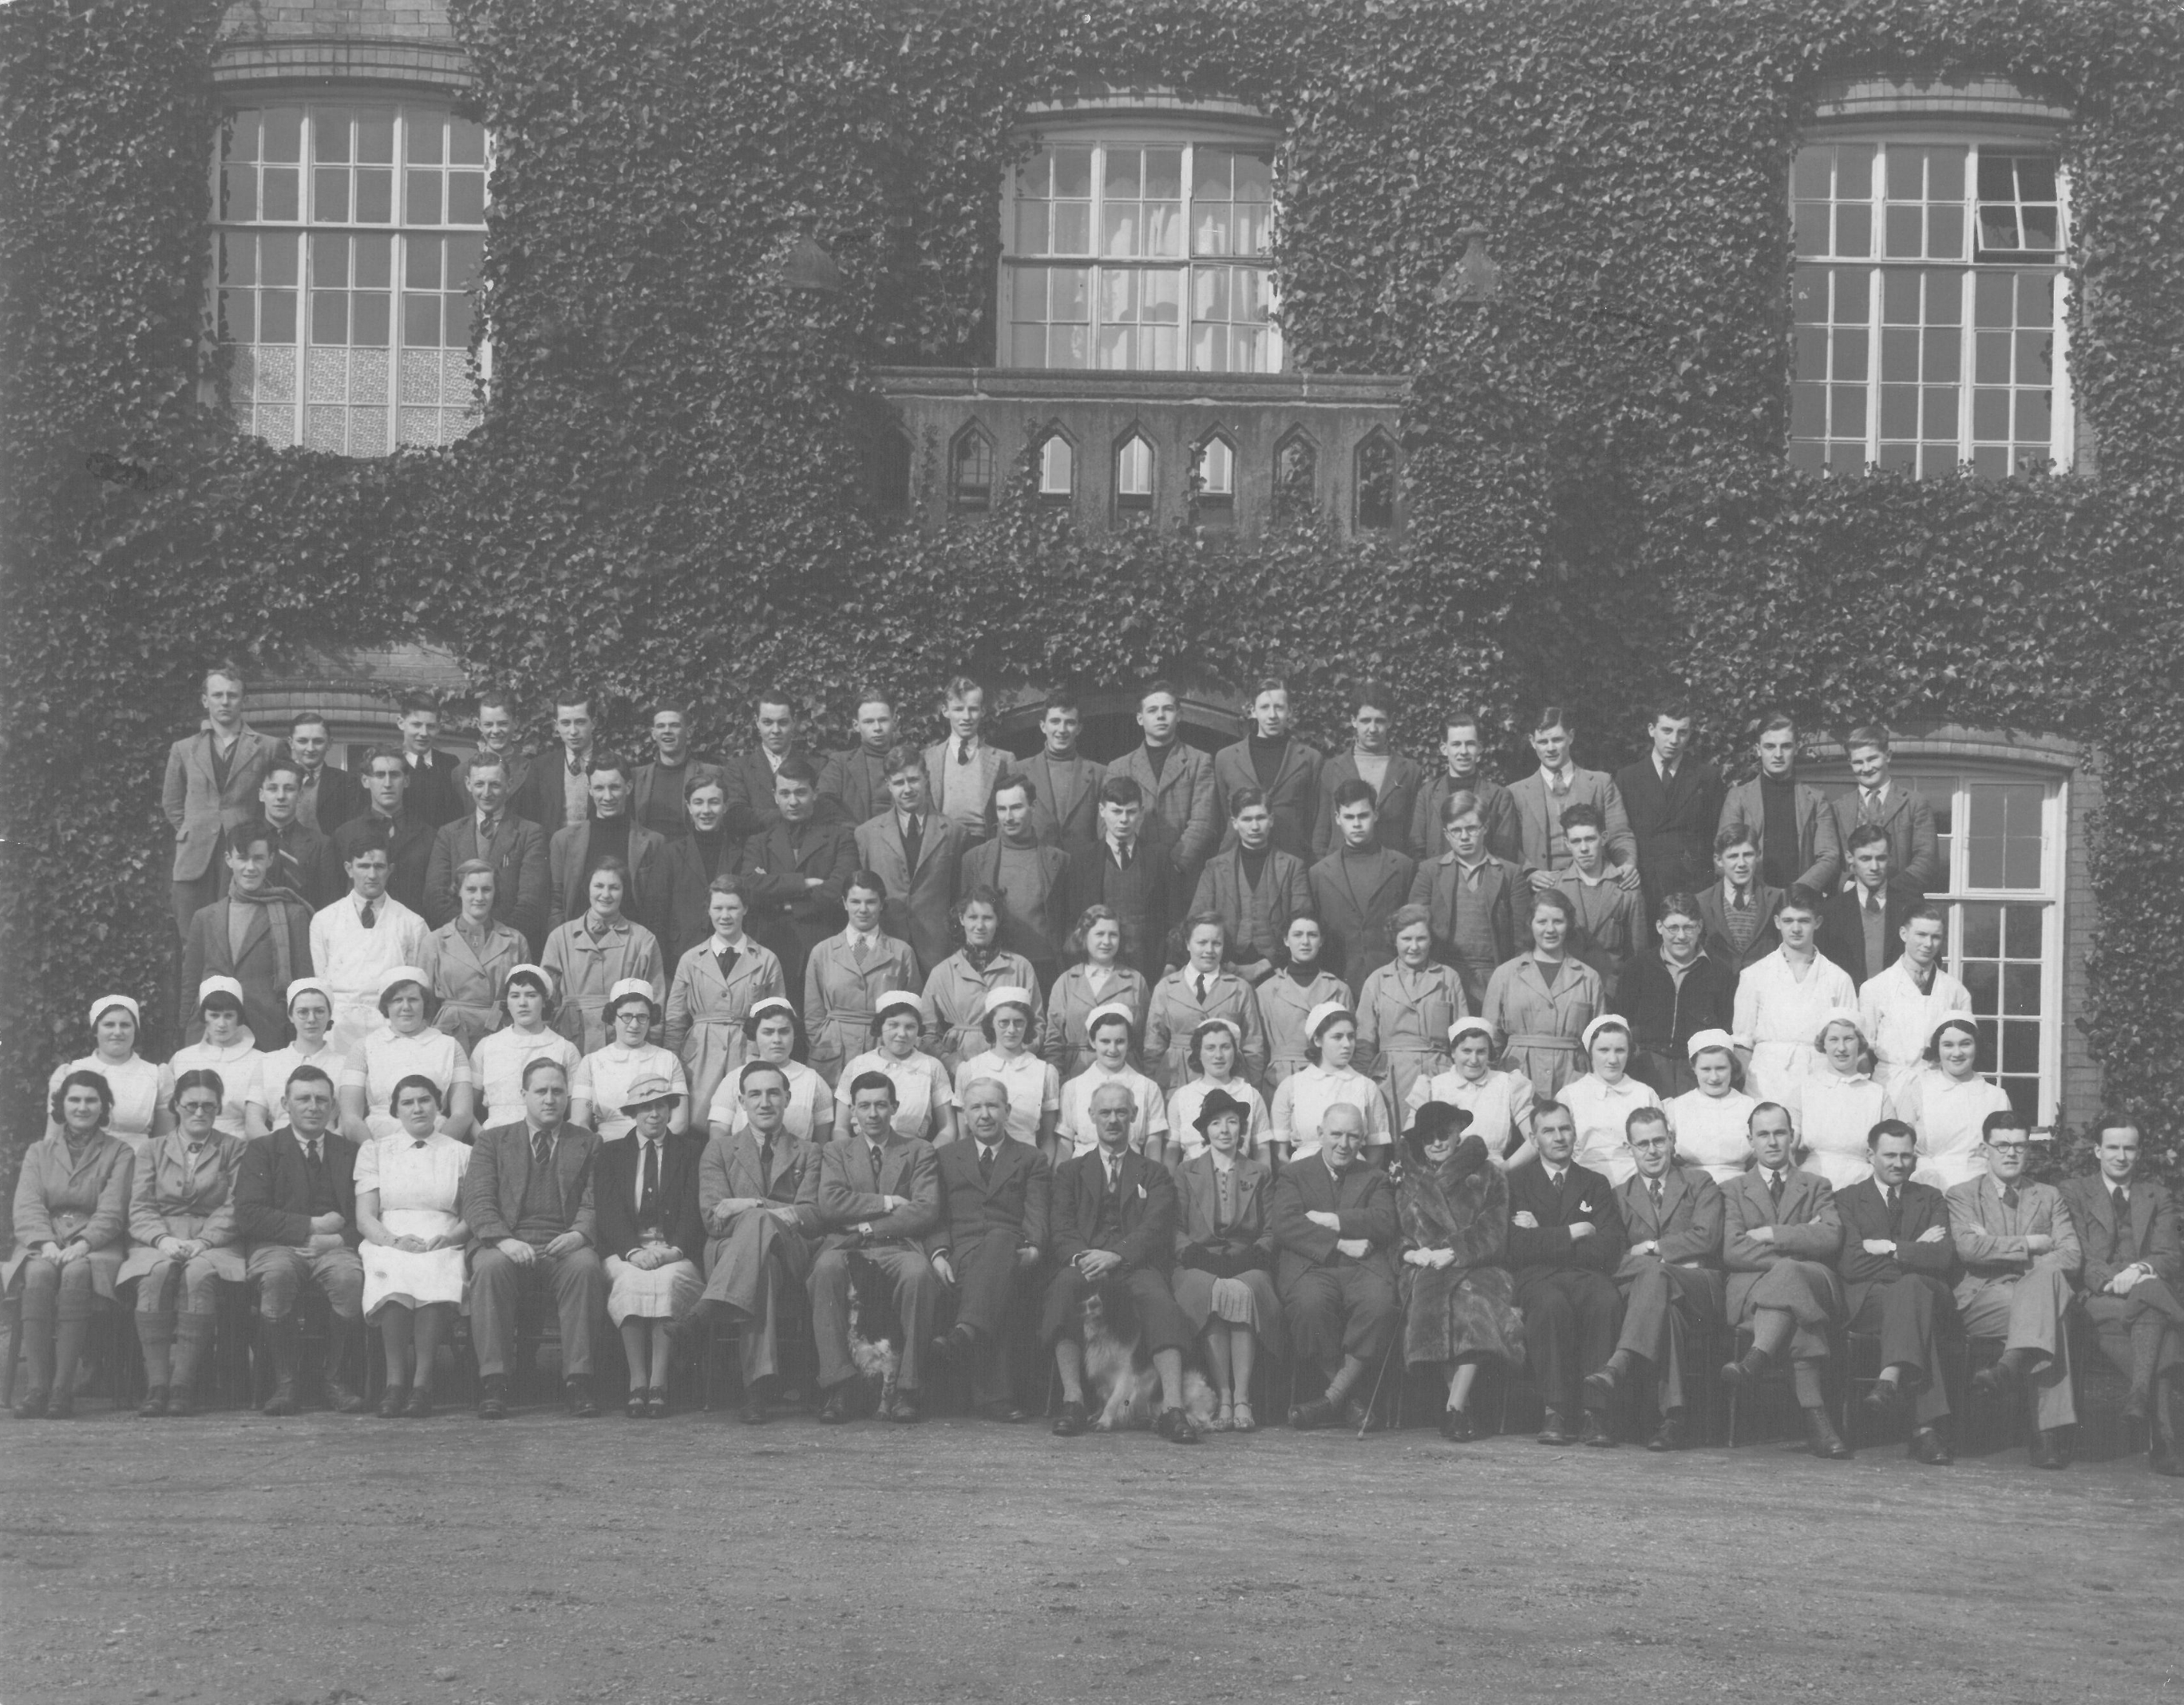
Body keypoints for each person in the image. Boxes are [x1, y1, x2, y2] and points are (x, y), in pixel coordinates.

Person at [1044, 1081, 1201, 1443]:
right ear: (1091, 1116)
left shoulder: (1154, 1172)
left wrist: (1118, 1254)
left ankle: (1173, 1409)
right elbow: (1061, 1226)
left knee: (1159, 1301)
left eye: (1120, 1112)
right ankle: (1073, 1401)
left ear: (1134, 1116)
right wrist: (1084, 1257)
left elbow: (1156, 1226)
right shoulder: (1070, 1172)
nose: (1113, 1120)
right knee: (1063, 1289)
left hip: (1134, 1265)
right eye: (1105, 1112)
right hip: (1085, 1263)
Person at [463, 1058, 607, 1419]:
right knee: (490, 1268)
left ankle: (578, 1381)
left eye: (558, 1091)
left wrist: (579, 1234)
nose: (550, 1099)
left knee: (586, 1268)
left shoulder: (588, 1142)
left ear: (568, 1095)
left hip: (564, 1245)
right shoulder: (493, 1141)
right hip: (507, 1242)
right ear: (523, 1094)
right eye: (541, 1091)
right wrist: (504, 1240)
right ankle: (494, 1381)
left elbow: (595, 1200)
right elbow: (478, 1201)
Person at [802, 1072, 944, 1423]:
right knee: (825, 1269)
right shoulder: (836, 1151)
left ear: (895, 1107)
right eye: (864, 1106)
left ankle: (907, 1388)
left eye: (881, 1105)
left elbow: (925, 1208)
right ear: (852, 1110)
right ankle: (839, 1386)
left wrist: (868, 1225)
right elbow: (831, 1204)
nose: (873, 1114)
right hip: (846, 1246)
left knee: (919, 1274)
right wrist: (888, 1201)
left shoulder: (919, 1150)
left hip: (897, 1246)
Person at [1948, 1110, 2081, 1469]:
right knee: (2053, 1309)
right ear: (1985, 1149)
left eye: (2020, 1146)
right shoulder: (1962, 1195)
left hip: (2032, 1293)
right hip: (1982, 1296)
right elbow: (1969, 1250)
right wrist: (2031, 1244)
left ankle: (2008, 1367)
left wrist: (1996, 1246)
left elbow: (2071, 1256)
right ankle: (2047, 1434)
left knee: (2048, 1295)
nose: (2011, 1153)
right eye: (2002, 1145)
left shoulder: (2048, 1196)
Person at [1585, 1107, 1723, 1450]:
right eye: (1642, 1144)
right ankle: (1672, 1419)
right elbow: (1614, 1258)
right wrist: (1670, 1257)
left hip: (1698, 1288)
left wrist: (1651, 1248)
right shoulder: (1619, 1195)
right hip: (1655, 1297)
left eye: (1659, 1141)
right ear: (1629, 1147)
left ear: (1672, 1140)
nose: (1652, 1151)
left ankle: (1620, 1363)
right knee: (1666, 1310)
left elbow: (1707, 1237)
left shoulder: (1700, 1182)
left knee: (1655, 1271)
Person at [1719, 1102, 1850, 1459]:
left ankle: (1756, 1358)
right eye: (1763, 1134)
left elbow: (1830, 1237)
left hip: (1813, 1282)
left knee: (1793, 1281)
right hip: (1758, 1290)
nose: (1773, 1141)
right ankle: (1818, 1422)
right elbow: (1733, 1249)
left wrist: (1771, 1234)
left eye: (1780, 1133)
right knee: (1795, 1302)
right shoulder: (1732, 1189)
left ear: (1792, 1136)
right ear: (1750, 1140)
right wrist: (1798, 1245)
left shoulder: (1817, 1185)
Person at [696, 1060, 824, 1424]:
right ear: (741, 1102)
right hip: (734, 1253)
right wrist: (770, 1211)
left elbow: (812, 1216)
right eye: (755, 1094)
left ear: (787, 1098)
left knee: (756, 1221)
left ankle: (706, 1308)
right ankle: (758, 1390)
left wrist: (750, 1204)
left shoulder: (809, 1151)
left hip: (793, 1253)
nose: (765, 1102)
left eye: (773, 1093)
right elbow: (713, 1219)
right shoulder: (719, 1151)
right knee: (762, 1265)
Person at [236, 1064, 366, 1415]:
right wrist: (311, 1225)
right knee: (277, 1276)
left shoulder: (350, 1152)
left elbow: (366, 1215)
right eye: (303, 1099)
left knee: (349, 1279)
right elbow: (248, 1213)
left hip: (335, 1248)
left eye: (322, 1100)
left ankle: (335, 1381)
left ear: (334, 1107)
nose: (313, 1107)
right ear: (285, 1104)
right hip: (277, 1245)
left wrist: (337, 1240)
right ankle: (286, 1383)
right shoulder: (263, 1149)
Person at [6, 1071, 134, 1418]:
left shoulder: (119, 1152)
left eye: (91, 1100)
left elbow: (114, 1210)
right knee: (38, 1274)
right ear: (61, 1105)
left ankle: (62, 1391)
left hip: (98, 1242)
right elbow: (27, 1205)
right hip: (45, 1237)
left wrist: (84, 1243)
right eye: (74, 1099)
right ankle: (37, 1389)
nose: (82, 1107)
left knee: (77, 1272)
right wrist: (46, 1243)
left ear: (103, 1106)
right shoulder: (39, 1152)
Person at [2059, 1118, 2184, 1473]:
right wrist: (2113, 1281)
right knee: (2161, 1314)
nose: (2121, 1156)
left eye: (2129, 1148)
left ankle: (2140, 1397)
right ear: (2098, 1151)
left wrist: (2140, 1270)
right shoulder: (2073, 1191)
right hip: (2097, 1295)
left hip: (2142, 1289)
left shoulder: (2158, 1195)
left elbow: (2170, 1255)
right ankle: (2163, 1438)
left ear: (2139, 1153)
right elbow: (2078, 1253)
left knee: (2152, 1306)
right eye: (2113, 1147)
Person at [120, 1071, 246, 1416]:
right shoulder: (152, 1149)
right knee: (155, 1275)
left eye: (208, 1105)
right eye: (191, 1105)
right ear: (176, 1106)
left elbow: (236, 1205)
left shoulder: (235, 1148)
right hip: (157, 1238)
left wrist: (204, 1241)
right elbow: (140, 1205)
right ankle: (157, 1385)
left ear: (219, 1108)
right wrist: (161, 1239)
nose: (199, 1112)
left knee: (198, 1276)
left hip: (216, 1241)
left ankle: (182, 1386)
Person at [1396, 1103, 1524, 1442]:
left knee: (1470, 1304)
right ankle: (1460, 1410)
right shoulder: (1408, 1180)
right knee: (1433, 1303)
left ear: (1457, 1135)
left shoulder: (1488, 1174)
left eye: (1444, 1135)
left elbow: (1494, 1228)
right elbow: (1399, 1233)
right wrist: (1412, 1252)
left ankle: (1454, 1407)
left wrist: (1454, 1252)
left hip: (1478, 1264)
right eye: (1428, 1139)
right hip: (1425, 1267)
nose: (1437, 1143)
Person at [1837, 1118, 1960, 1466]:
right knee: (1912, 1292)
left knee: (1912, 1290)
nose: (1898, 1163)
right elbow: (1852, 1264)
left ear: (1915, 1158)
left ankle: (1889, 1379)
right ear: (1870, 1155)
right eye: (1889, 1155)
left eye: (1906, 1156)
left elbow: (1942, 1257)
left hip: (1926, 1295)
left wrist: (1888, 1248)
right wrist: (1913, 1250)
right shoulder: (1847, 1199)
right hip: (1871, 1301)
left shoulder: (1931, 1198)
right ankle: (1925, 1431)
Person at [930, 1078, 1053, 1422]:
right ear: (965, 1115)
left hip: (1012, 1253)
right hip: (961, 1254)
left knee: (1000, 1241)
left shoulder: (1031, 1158)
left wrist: (1034, 1248)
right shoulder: (945, 1157)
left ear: (1007, 1110)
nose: (984, 1115)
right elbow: (935, 1215)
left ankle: (964, 1335)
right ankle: (995, 1398)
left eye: (992, 1106)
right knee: (997, 1277)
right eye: (976, 1107)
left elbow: (1037, 1213)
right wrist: (938, 1254)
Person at [1504, 1100, 1626, 1445]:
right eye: (1549, 1131)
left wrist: (1542, 1234)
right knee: (1550, 1305)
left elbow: (1608, 1246)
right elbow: (1515, 1247)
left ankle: (1594, 1412)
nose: (1559, 1137)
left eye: (1565, 1129)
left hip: (1586, 1275)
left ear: (1574, 1133)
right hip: (1537, 1277)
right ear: (1533, 1139)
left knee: (1605, 1300)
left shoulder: (1595, 1183)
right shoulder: (1517, 1183)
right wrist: (1573, 1232)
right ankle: (1554, 1410)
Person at [1273, 1103, 1402, 1430]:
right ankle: (1349, 1398)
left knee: (1380, 1305)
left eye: (1353, 1136)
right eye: (1336, 1134)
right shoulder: (1293, 1174)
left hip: (1363, 1267)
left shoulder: (1375, 1177)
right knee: (1309, 1305)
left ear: (1363, 1140)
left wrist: (1334, 1220)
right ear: (1320, 1134)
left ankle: (1331, 1400)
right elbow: (1286, 1224)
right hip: (1312, 1265)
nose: (1344, 1144)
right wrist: (1340, 1242)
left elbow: (1385, 1221)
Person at [354, 1075, 472, 1419]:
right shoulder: (375, 1150)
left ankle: (423, 1385)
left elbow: (473, 1213)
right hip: (388, 1237)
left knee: (434, 1271)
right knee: (394, 1274)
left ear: (438, 1105)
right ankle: (394, 1384)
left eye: (425, 1100)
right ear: (395, 1110)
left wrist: (451, 1238)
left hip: (443, 1236)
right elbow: (365, 1217)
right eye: (408, 1102)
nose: (417, 1108)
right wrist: (394, 1242)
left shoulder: (462, 1153)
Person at [1170, 1089, 1282, 1432]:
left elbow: (1272, 1228)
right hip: (1198, 1262)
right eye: (1216, 1123)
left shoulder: (1259, 1172)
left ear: (1241, 1128)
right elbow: (1174, 1228)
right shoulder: (1186, 1171)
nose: (1224, 1130)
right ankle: (1224, 1397)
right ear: (1205, 1131)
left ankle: (1243, 1398)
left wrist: (1251, 1257)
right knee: (1213, 1290)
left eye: (1232, 1122)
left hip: (1247, 1261)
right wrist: (1198, 1256)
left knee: (1242, 1291)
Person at [595, 1075, 706, 1417]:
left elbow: (693, 1209)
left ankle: (659, 1381)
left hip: (674, 1249)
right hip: (627, 1250)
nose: (654, 1114)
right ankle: (637, 1380)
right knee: (631, 1281)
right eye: (645, 1107)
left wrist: (675, 1250)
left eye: (661, 1105)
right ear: (633, 1113)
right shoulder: (611, 1153)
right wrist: (632, 1251)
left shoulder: (691, 1152)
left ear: (671, 1109)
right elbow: (609, 1210)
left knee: (667, 1281)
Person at [164, 663, 281, 937]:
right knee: (192, 937)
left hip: (243, 855)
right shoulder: (183, 749)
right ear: (205, 701)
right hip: (194, 859)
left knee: (239, 935)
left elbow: (276, 797)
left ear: (243, 701)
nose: (225, 702)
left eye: (232, 695)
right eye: (217, 695)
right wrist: (194, 829)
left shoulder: (268, 747)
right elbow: (172, 803)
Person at [181, 818, 315, 1049]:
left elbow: (303, 984)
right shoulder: (205, 917)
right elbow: (190, 984)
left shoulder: (292, 915)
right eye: (242, 858)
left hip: (269, 1031)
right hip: (210, 1032)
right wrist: (186, 1032)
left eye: (258, 858)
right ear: (229, 860)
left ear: (270, 859)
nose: (250, 867)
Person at [664, 876, 786, 1124]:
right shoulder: (690, 959)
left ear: (745, 909)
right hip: (699, 1058)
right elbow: (675, 1019)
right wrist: (672, 1065)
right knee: (698, 1124)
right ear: (708, 910)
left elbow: (778, 1020)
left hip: (747, 1054)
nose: (725, 916)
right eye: (718, 908)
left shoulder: (766, 959)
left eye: (732, 908)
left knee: (744, 1123)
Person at [737, 755, 857, 995]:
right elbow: (750, 888)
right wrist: (803, 883)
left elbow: (840, 890)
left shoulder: (840, 838)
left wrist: (784, 901)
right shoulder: (758, 842)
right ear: (775, 795)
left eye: (801, 792)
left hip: (825, 945)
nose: (793, 801)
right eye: (785, 793)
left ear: (815, 793)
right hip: (771, 948)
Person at [1731, 884, 1855, 1103]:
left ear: (1817, 922)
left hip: (1820, 1084)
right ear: (1777, 922)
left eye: (1804, 921)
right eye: (1788, 921)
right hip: (1766, 1085)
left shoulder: (1838, 979)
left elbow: (1849, 1044)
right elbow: (1742, 1045)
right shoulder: (1754, 975)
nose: (1796, 929)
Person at [421, 753, 550, 954]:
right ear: (468, 784)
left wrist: (497, 941)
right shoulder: (449, 834)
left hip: (508, 947)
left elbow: (531, 902)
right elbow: (435, 897)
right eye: (479, 784)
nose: (487, 793)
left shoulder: (530, 834)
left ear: (509, 785)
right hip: (456, 948)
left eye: (495, 785)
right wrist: (466, 936)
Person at [857, 743, 967, 978]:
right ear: (888, 785)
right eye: (899, 783)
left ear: (927, 778)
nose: (907, 789)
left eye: (913, 780)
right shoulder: (866, 835)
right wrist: (861, 955)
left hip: (939, 952)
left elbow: (960, 897)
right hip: (885, 951)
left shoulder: (955, 833)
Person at [1480, 889, 1603, 1098]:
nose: (1550, 929)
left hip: (1572, 1079)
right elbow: (1490, 1037)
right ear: (1530, 924)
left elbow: (1599, 1041)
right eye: (1542, 922)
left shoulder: (1589, 978)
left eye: (1558, 921)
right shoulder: (1505, 974)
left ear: (1569, 925)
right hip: (1517, 1074)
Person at [802, 868, 919, 1086]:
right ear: (844, 903)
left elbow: (913, 1011)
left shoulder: (902, 952)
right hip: (833, 1055)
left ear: (882, 904)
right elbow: (813, 1014)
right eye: (855, 902)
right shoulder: (822, 952)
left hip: (884, 1050)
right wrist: (822, 1042)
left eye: (871, 902)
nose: (863, 910)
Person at [1407, 789, 1521, 1011]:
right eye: (1456, 830)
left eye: (1471, 828)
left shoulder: (1510, 873)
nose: (1464, 837)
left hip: (1496, 976)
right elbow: (1414, 927)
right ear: (1446, 834)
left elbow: (1521, 939)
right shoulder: (1429, 872)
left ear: (1485, 828)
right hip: (1444, 977)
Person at [311, 842, 429, 1054]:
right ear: (349, 869)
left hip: (390, 1023)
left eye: (379, 866)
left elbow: (417, 985)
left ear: (390, 870)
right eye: (364, 866)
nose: (372, 875)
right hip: (339, 1024)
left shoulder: (412, 923)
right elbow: (321, 979)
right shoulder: (324, 920)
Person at [540, 859, 667, 1054]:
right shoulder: (560, 937)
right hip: (570, 1038)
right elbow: (546, 997)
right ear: (587, 888)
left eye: (614, 888)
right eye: (599, 886)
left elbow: (656, 1000)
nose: (606, 894)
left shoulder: (643, 939)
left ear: (624, 891)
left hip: (625, 1042)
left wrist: (653, 1048)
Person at [1505, 706, 1639, 892]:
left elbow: (1619, 834)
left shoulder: (1601, 783)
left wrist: (1627, 864)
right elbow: (1509, 845)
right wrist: (1529, 872)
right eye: (1543, 742)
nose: (1550, 748)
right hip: (1544, 891)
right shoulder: (1516, 793)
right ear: (1532, 742)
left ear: (1571, 737)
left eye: (1557, 740)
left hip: (1594, 886)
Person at [338, 966, 476, 1143]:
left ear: (425, 1003)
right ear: (386, 1005)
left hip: (438, 1139)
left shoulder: (450, 1046)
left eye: (413, 999)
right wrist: (370, 1150)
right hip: (379, 1140)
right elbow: (350, 1117)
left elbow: (462, 1114)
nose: (406, 1007)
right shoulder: (363, 1047)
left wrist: (438, 1148)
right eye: (397, 1000)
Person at [1613, 702, 1725, 920]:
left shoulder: (1706, 777)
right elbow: (1619, 834)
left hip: (1693, 886)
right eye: (1667, 730)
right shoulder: (1627, 778)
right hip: (1645, 886)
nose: (1674, 740)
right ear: (1651, 730)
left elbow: (1716, 836)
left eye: (1682, 732)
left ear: (1690, 734)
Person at [960, 776, 1074, 989]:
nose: (1008, 817)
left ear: (1033, 806)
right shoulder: (974, 859)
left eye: (1016, 807)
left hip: (1045, 968)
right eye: (1002, 809)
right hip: (994, 966)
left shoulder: (1059, 861)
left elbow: (1069, 921)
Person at [1188, 787, 1312, 983]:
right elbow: (1196, 921)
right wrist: (1226, 964)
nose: (1255, 826)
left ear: (1271, 820)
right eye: (1246, 819)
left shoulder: (1293, 867)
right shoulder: (1214, 868)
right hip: (1225, 968)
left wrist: (1264, 965)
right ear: (1234, 823)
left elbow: (1304, 922)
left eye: (1260, 818)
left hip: (1278, 970)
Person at [1355, 904, 1466, 1118]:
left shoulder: (1448, 978)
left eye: (1421, 939)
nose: (1414, 947)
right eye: (1406, 939)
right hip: (1390, 1081)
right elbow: (1364, 1042)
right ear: (1394, 940)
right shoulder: (1377, 980)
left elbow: (1463, 1037)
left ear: (1431, 940)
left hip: (1438, 1076)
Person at [1311, 778, 1418, 997]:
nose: (1357, 824)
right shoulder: (1319, 873)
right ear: (1337, 818)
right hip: (1337, 983)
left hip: (1394, 984)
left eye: (1363, 816)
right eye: (1349, 817)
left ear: (1375, 815)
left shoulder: (1403, 866)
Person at [1624, 892, 1735, 1098]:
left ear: (1700, 927)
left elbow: (1726, 1029)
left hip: (1695, 1070)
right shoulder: (1637, 968)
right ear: (1659, 927)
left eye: (1689, 927)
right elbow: (1623, 1021)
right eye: (1673, 928)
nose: (1681, 936)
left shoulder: (1720, 972)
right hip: (1647, 1067)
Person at [1717, 714, 1843, 896]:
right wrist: (1761, 896)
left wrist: (1797, 892)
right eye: (1770, 746)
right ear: (1758, 749)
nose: (1778, 755)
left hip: (1800, 901)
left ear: (1796, 748)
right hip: (1753, 898)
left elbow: (1829, 857)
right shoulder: (1738, 797)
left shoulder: (1816, 800)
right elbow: (1725, 852)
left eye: (1786, 746)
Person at [1070, 776, 1181, 981]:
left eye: (1131, 812)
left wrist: (1171, 964)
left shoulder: (1158, 858)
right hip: (1098, 969)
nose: (1124, 820)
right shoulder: (1082, 860)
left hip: (1150, 967)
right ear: (1102, 810)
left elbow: (1175, 915)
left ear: (1141, 812)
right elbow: (1072, 919)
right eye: (1116, 811)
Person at [924, 887, 1043, 1074]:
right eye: (973, 917)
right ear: (961, 919)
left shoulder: (1020, 967)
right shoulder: (942, 972)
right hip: (961, 1065)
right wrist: (947, 1059)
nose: (980, 926)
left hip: (1012, 1066)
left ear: (998, 920)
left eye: (987, 918)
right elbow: (926, 1031)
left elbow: (1037, 1024)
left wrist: (1018, 1056)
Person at [1857, 906, 1972, 1099]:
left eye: (1936, 937)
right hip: (1890, 1087)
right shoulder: (1874, 988)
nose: (1928, 944)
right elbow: (1864, 1050)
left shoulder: (1956, 991)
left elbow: (1965, 1049)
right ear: (1904, 934)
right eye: (1921, 935)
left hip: (1940, 1088)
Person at [1114, 679, 1218, 889]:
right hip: (1134, 874)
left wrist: (1175, 866)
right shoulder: (1120, 767)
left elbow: (1204, 822)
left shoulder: (1199, 761)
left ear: (1179, 715)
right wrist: (1131, 864)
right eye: (1152, 710)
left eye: (1168, 709)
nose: (1160, 716)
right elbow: (1108, 822)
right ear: (1140, 718)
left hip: (1183, 876)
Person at [1145, 913, 1269, 1091]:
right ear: (1187, 943)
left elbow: (1253, 1047)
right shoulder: (1165, 988)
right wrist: (1154, 1087)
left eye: (1216, 943)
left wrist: (1250, 1089)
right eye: (1202, 943)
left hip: (1227, 1083)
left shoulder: (1240, 988)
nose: (1209, 950)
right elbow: (1153, 1046)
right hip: (1176, 1081)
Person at [548, 754, 667, 937]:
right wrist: (563, 943)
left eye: (615, 787)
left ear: (628, 787)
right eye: (599, 788)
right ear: (590, 790)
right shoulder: (564, 841)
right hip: (577, 941)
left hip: (632, 943)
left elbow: (657, 908)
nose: (607, 797)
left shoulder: (653, 842)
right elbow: (556, 903)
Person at [1542, 802, 1647, 1008]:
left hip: (1613, 995)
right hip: (1565, 995)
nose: (1584, 848)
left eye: (1590, 839)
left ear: (1604, 838)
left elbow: (1638, 954)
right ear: (1567, 844)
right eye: (1576, 841)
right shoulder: (1555, 889)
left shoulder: (1627, 889)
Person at [418, 858, 528, 1054]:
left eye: (486, 889)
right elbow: (423, 1001)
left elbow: (526, 996)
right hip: (448, 1034)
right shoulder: (435, 941)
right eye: (471, 889)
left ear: (495, 893)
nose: (479, 897)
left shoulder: (515, 940)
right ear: (458, 891)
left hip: (499, 1033)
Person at [1310, 682, 1425, 863]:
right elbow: (1321, 835)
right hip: (1341, 870)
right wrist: (1324, 872)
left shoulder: (1410, 771)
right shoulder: (1332, 769)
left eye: (1379, 721)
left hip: (1392, 871)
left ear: (1391, 721)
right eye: (1365, 721)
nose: (1372, 729)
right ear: (1353, 720)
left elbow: (1415, 837)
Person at [1782, 1010, 1894, 1191]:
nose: (1841, 1048)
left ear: (1860, 1043)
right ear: (1823, 1044)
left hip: (1863, 1185)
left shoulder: (1879, 1094)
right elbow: (1788, 1146)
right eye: (1833, 1039)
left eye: (1848, 1039)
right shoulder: (1803, 1090)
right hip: (1812, 1183)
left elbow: (1891, 1150)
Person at [45, 995, 172, 1154]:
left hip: (137, 1164)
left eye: (125, 1025)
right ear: (95, 1030)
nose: (117, 1032)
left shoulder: (156, 1075)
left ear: (135, 1030)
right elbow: (53, 1138)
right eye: (109, 1025)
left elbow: (165, 1142)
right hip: (81, 1162)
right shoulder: (70, 1073)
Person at [1213, 677, 1322, 863]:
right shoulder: (1226, 758)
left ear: (1290, 711)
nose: (1272, 715)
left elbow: (1314, 817)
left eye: (1279, 707)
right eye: (1264, 707)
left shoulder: (1310, 759)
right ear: (1252, 711)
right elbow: (1223, 814)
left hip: (1293, 861)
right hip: (1238, 862)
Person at [656, 776, 760, 966]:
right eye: (698, 802)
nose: (706, 811)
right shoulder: (670, 854)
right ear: (689, 807)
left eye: (714, 802)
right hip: (680, 957)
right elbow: (657, 914)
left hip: (732, 957)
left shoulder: (741, 852)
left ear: (725, 806)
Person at [1405, 1015, 1536, 1165]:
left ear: (1489, 1053)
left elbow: (1536, 1139)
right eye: (1466, 1051)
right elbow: (1407, 1143)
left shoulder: (1508, 1084)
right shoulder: (1433, 1087)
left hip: (1493, 1172)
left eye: (1481, 1052)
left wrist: (1505, 1169)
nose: (1474, 1060)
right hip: (1442, 1174)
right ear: (1453, 1052)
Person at [1269, 1003, 1389, 1163]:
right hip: (1303, 1172)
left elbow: (1377, 1151)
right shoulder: (1291, 1086)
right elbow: (1279, 1155)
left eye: (1351, 1036)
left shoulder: (1367, 1087)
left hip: (1354, 1173)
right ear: (1317, 1040)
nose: (1347, 1044)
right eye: (1337, 1037)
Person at [572, 979, 690, 1142]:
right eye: (626, 1016)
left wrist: (647, 1147)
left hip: (657, 1147)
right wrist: (597, 1147)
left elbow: (680, 1122)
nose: (634, 1025)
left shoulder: (668, 1060)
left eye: (642, 1017)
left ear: (651, 1019)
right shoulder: (591, 1062)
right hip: (606, 1147)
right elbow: (580, 1120)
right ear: (613, 1018)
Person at [705, 997, 834, 1145]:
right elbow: (718, 1141)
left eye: (784, 1032)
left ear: (794, 1033)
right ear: (755, 1034)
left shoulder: (814, 1081)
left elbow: (821, 1144)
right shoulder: (734, 1079)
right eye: (768, 1032)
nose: (777, 1040)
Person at [837, 989, 958, 1145]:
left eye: (910, 1027)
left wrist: (927, 1155)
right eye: (893, 1025)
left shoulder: (932, 1066)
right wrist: (851, 1155)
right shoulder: (858, 1065)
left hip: (915, 1153)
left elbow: (947, 1128)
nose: (902, 1033)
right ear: (880, 1026)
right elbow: (840, 1128)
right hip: (863, 1152)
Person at [1829, 726, 1941, 895]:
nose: (1866, 768)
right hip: (1850, 900)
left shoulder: (1915, 803)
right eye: (1858, 762)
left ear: (1888, 756)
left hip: (1902, 899)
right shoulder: (1838, 808)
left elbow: (1927, 860)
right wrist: (1848, 887)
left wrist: (1889, 892)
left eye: (1872, 759)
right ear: (1850, 763)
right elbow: (1829, 861)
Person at [325, 747, 436, 916]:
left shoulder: (428, 836)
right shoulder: (345, 835)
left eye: (395, 775)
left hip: (412, 927)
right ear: (365, 781)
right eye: (379, 775)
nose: (388, 783)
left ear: (406, 781)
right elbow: (334, 895)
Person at [1043, 904, 1151, 1079]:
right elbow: (1054, 1040)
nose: (1107, 942)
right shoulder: (1066, 982)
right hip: (1077, 1073)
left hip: (1124, 1073)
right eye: (1100, 934)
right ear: (1084, 936)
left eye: (1113, 935)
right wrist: (1058, 1079)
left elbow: (1145, 1038)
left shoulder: (1135, 980)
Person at [469, 964, 580, 1133]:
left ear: (544, 1001)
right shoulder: (487, 1046)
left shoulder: (566, 1049)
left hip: (548, 1140)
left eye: (531, 995)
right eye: (515, 996)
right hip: (495, 1138)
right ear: (507, 1002)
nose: (522, 1003)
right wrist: (483, 1140)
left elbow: (583, 1107)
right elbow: (466, 1110)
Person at [952, 987, 1060, 1157]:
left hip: (1028, 1164)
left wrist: (1041, 1170)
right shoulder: (969, 1070)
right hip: (981, 1161)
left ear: (1028, 1024)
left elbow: (1048, 1138)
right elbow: (963, 1135)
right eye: (1004, 1022)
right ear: (991, 1023)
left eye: (1019, 1022)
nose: (1011, 1030)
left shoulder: (1046, 1072)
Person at [1904, 1017, 2010, 1190]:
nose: (1957, 1053)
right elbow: (1900, 1148)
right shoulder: (1918, 1091)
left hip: (1981, 1190)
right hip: (1928, 1189)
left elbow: (2005, 1154)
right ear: (1937, 1049)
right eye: (1948, 1045)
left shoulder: (1997, 1097)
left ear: (1977, 1046)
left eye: (1965, 1044)